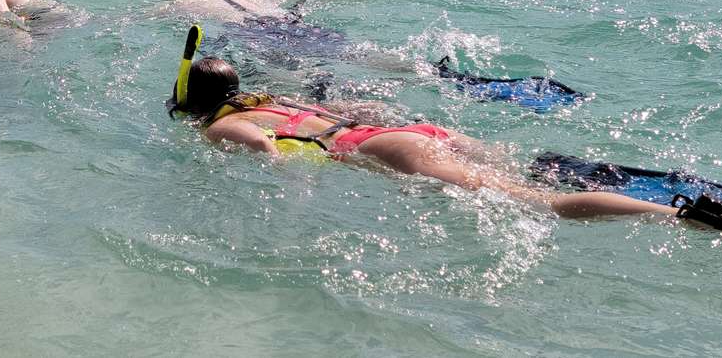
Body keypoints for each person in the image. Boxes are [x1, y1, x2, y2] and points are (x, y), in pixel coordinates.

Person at [175, 53, 675, 221]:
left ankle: (675, 216)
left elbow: (262, 146)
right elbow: (362, 109)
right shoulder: (271, 102)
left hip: (382, 149)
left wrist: (291, 186)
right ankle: (604, 181)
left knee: (540, 203)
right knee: (523, 177)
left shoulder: (221, 125)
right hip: (409, 130)